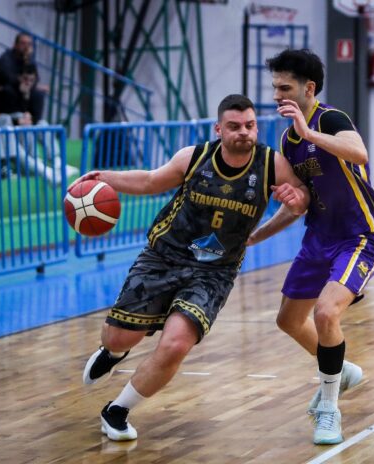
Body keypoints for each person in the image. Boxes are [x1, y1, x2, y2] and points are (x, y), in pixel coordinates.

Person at [77, 94, 309, 442]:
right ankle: (113, 351)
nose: (243, 132)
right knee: (119, 336)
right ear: (218, 129)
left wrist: (296, 201)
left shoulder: (272, 165)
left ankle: (117, 410)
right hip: (164, 256)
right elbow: (150, 181)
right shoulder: (195, 157)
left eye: (250, 125)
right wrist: (104, 178)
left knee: (176, 344)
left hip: (215, 272)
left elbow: (301, 199)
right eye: (234, 126)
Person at [248, 49, 374, 445]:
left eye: (284, 88)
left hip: (360, 235)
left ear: (308, 88)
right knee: (288, 320)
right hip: (319, 237)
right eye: (275, 87)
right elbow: (299, 204)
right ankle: (342, 370)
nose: (276, 95)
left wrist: (310, 134)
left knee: (326, 312)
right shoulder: (288, 140)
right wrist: (254, 236)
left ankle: (329, 409)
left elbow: (359, 152)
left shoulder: (330, 119)